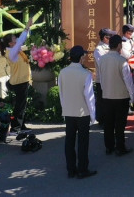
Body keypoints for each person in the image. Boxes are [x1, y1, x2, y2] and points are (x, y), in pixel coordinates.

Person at [59, 45, 97, 179]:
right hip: (82, 113)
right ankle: (82, 169)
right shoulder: (85, 74)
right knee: (82, 142)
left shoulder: (62, 72)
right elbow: (89, 97)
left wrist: (65, 108)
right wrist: (93, 116)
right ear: (81, 58)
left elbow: (61, 94)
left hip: (68, 111)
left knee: (69, 141)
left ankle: (71, 169)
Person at [98, 34, 134, 156]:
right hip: (121, 97)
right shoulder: (122, 61)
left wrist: (105, 90)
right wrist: (132, 96)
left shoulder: (102, 60)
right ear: (119, 45)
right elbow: (128, 81)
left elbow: (101, 79)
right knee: (120, 124)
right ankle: (120, 147)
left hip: (107, 95)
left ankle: (109, 147)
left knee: (108, 123)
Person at [4, 17, 34, 131]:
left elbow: (21, 41)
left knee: (22, 104)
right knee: (20, 105)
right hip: (19, 82)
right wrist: (27, 27)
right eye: (14, 38)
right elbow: (21, 40)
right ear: (11, 43)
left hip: (23, 80)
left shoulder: (16, 50)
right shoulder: (12, 52)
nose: (16, 39)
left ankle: (21, 125)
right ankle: (16, 127)